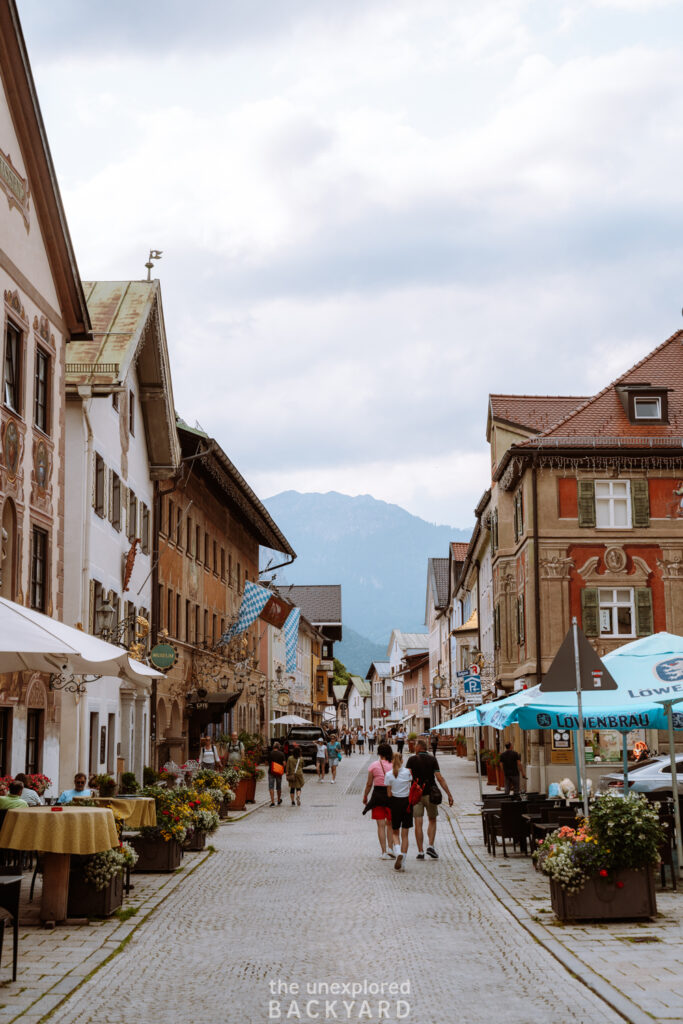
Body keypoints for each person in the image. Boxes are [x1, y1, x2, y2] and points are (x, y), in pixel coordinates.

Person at [406, 739, 454, 860]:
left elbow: (407, 777)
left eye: (415, 745)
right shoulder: (432, 759)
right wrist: (449, 794)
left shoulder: (412, 760)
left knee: (418, 822)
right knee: (432, 820)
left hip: (417, 795)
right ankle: (431, 846)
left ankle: (420, 851)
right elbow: (439, 778)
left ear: (418, 747)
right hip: (431, 794)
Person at [362, 742, 395, 859]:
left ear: (379, 753)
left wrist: (365, 796)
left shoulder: (374, 765)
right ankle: (391, 848)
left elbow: (369, 783)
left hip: (377, 795)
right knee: (390, 824)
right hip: (391, 795)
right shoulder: (394, 765)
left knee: (380, 825)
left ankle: (384, 852)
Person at [385, 752, 413, 871]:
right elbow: (410, 786)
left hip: (395, 803)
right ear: (402, 761)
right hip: (406, 803)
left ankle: (397, 852)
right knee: (405, 834)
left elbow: (389, 794)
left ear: (391, 761)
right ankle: (404, 862)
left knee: (395, 831)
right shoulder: (407, 773)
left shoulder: (389, 775)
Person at [268, 741, 286, 806]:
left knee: (271, 786)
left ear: (273, 747)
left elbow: (267, 763)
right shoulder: (281, 754)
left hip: (271, 772)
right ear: (279, 747)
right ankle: (278, 800)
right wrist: (281, 768)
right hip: (278, 772)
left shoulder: (270, 753)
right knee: (279, 787)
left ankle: (272, 802)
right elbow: (284, 763)